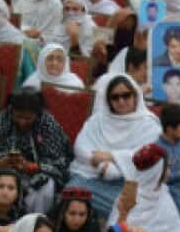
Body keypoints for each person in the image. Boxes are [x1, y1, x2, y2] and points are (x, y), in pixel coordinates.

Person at [67, 73, 163, 216]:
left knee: (128, 208)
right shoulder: (99, 119)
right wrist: (102, 166)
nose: (121, 101)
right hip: (92, 174)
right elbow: (80, 147)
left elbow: (146, 155)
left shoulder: (149, 124)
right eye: (115, 97)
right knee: (72, 194)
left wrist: (112, 158)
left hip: (128, 182)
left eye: (126, 95)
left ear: (135, 95)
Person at [0, 88, 73, 213]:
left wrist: (32, 167)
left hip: (37, 171)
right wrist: (0, 161)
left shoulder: (48, 123)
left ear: (37, 113)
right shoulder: (2, 118)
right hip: (5, 167)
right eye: (18, 117)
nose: (22, 122)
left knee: (46, 188)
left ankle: (35, 225)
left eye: (27, 118)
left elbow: (58, 160)